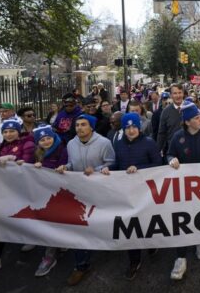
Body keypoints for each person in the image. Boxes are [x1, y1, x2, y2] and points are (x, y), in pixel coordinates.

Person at [56, 114, 115, 286]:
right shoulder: (71, 144)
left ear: (92, 127)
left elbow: (112, 162)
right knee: (79, 227)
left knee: (100, 223)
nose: (79, 128)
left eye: (83, 124)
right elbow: (71, 164)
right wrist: (65, 167)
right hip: (79, 193)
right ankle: (81, 265)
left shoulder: (104, 143)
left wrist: (97, 169)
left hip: (99, 192)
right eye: (77, 125)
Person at [167, 101, 200, 280]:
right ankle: (180, 257)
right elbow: (169, 153)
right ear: (188, 122)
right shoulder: (177, 137)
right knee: (182, 219)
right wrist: (171, 160)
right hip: (184, 188)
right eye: (196, 117)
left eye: (199, 116)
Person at [0, 120, 35, 275]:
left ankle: (33, 237)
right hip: (4, 190)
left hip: (23, 190)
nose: (8, 134)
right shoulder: (2, 145)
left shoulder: (28, 143)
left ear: (18, 131)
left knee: (26, 216)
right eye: (5, 132)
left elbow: (29, 162)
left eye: (12, 131)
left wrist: (13, 159)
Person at [113, 113, 162, 280]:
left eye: (134, 126)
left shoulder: (149, 143)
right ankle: (134, 261)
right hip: (126, 193)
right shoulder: (118, 145)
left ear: (139, 127)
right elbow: (116, 164)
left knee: (147, 222)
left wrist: (138, 168)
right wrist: (107, 169)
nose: (131, 130)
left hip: (146, 192)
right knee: (130, 226)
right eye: (127, 127)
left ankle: (151, 244)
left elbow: (158, 165)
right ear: (123, 129)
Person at [31, 126, 68, 277]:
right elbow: (26, 166)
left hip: (59, 193)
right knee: (47, 223)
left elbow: (66, 165)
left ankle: (57, 247)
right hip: (43, 194)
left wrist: (63, 168)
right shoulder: (37, 153)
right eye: (42, 139)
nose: (46, 141)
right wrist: (34, 166)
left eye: (48, 138)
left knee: (59, 220)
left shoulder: (61, 149)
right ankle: (49, 255)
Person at [157, 83, 186, 156]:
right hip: (172, 151)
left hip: (190, 150)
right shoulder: (165, 112)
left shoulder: (191, 108)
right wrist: (158, 150)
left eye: (180, 93)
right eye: (175, 93)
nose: (178, 96)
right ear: (171, 95)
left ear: (183, 93)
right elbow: (162, 133)